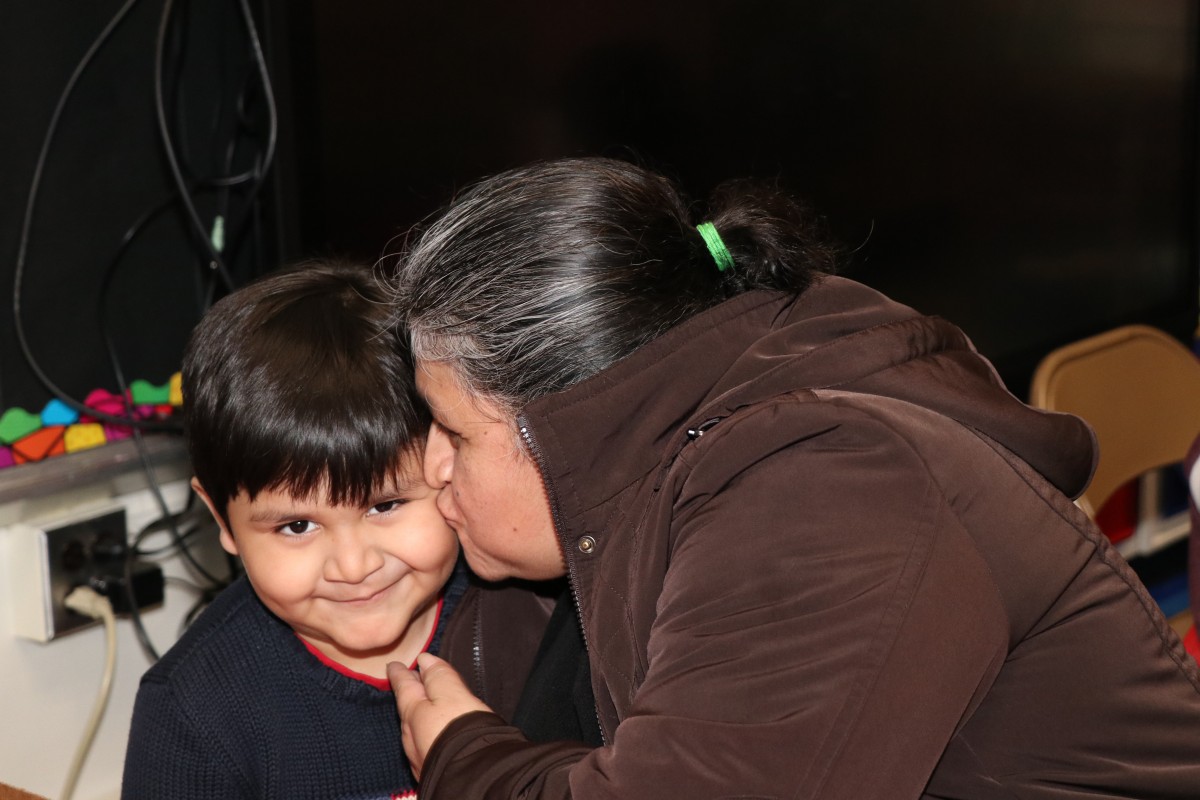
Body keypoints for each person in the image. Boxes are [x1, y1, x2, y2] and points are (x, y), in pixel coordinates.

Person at [387, 157, 1200, 799]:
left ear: (569, 418)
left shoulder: (827, 483)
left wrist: (467, 764)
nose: (431, 465)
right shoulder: (628, 486)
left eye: (456, 431)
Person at [121, 261, 463, 799]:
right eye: (298, 525)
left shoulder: (540, 614)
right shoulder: (190, 711)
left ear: (450, 461)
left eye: (386, 505)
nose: (354, 566)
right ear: (220, 522)